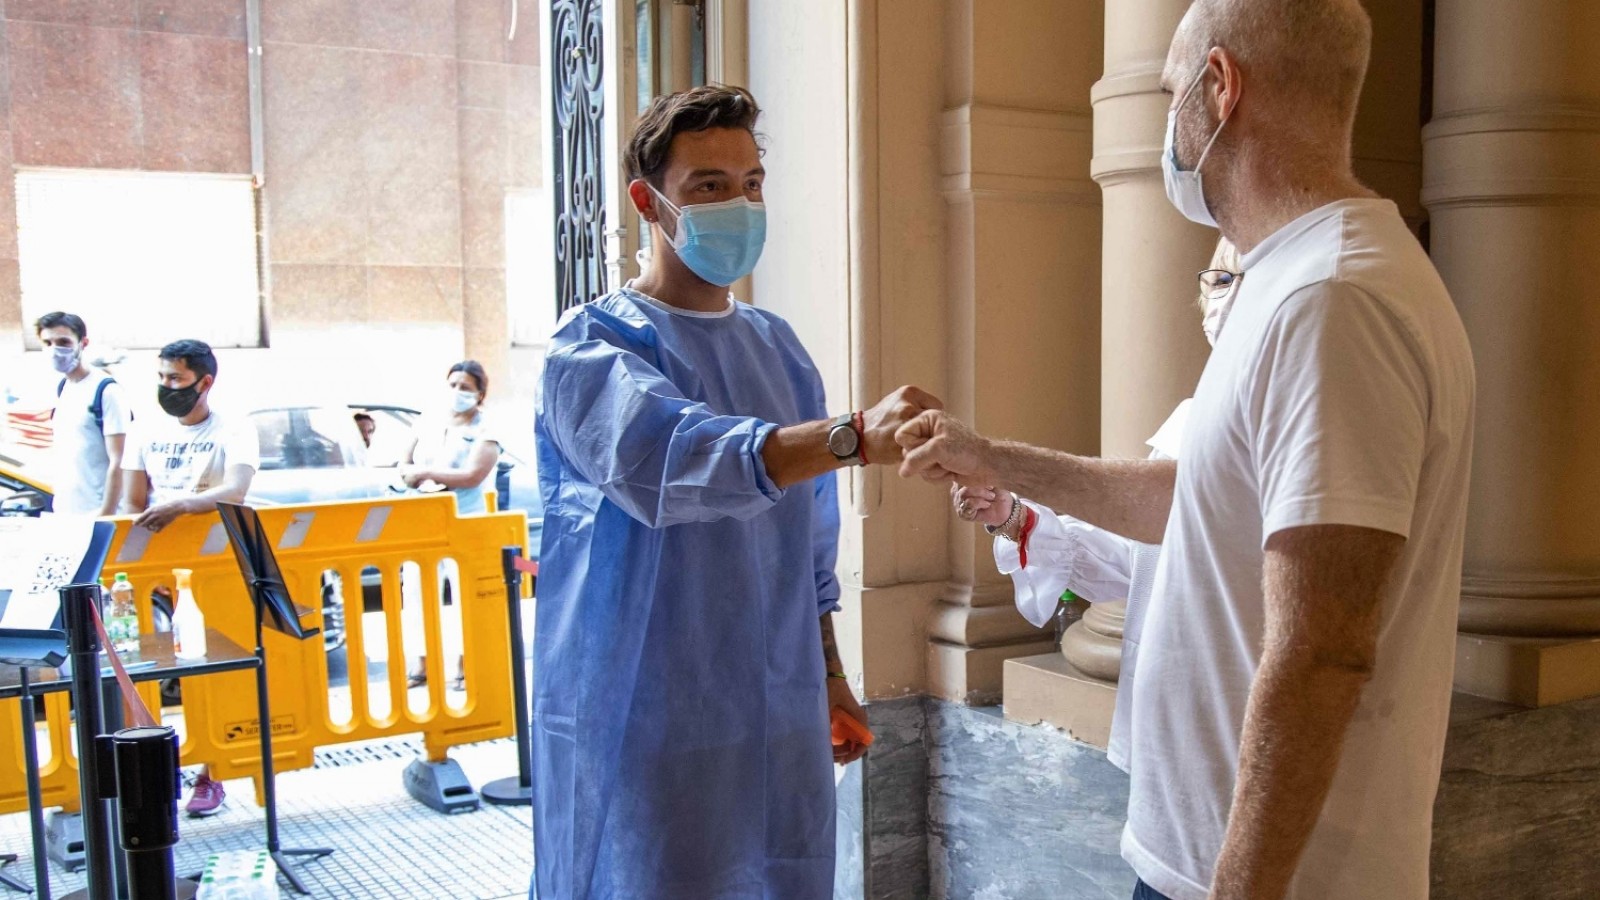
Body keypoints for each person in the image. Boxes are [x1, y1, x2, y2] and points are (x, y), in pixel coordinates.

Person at [897, 2, 1476, 898]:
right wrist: (996, 460)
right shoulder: (1285, 280)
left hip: (1267, 877)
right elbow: (1188, 502)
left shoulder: (1333, 303)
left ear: (1220, 84)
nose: (1168, 124)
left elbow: (1324, 650)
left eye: (1173, 93)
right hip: (1201, 855)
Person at [533, 84, 939, 899]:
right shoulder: (591, 348)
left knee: (780, 874)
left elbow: (807, 540)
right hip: (644, 707)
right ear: (651, 202)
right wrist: (850, 436)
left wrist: (827, 673)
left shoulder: (776, 349)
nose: (739, 204)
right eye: (709, 187)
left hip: (774, 703)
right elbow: (671, 459)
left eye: (750, 183)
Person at [953, 239, 1242, 773]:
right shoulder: (1197, 416)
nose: (1230, 299)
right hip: (1170, 708)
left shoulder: (1298, 421)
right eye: (1221, 281)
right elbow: (1141, 563)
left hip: (1235, 712)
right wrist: (1012, 515)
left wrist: (998, 460)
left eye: (1253, 278)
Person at [123, 338, 260, 816]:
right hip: (154, 572)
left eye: (176, 379)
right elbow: (130, 501)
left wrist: (181, 505)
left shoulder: (235, 429)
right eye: (162, 378)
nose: (167, 387)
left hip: (216, 568)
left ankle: (212, 773)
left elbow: (236, 490)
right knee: (152, 677)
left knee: (214, 676)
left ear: (205, 382)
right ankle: (154, 772)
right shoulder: (145, 428)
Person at [398, 361, 502, 688]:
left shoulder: (487, 429)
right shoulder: (428, 422)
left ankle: (464, 666)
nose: (457, 392)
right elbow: (404, 461)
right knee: (416, 594)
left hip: (466, 520)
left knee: (464, 596)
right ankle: (422, 664)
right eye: (453, 384)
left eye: (466, 387)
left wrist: (427, 474)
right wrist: (409, 475)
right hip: (424, 521)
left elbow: (473, 475)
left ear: (479, 394)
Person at [33, 312, 131, 516]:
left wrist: (105, 514)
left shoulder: (106, 391)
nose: (55, 350)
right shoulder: (64, 387)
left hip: (97, 515)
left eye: (63, 342)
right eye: (47, 342)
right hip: (67, 513)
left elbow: (120, 460)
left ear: (83, 343)